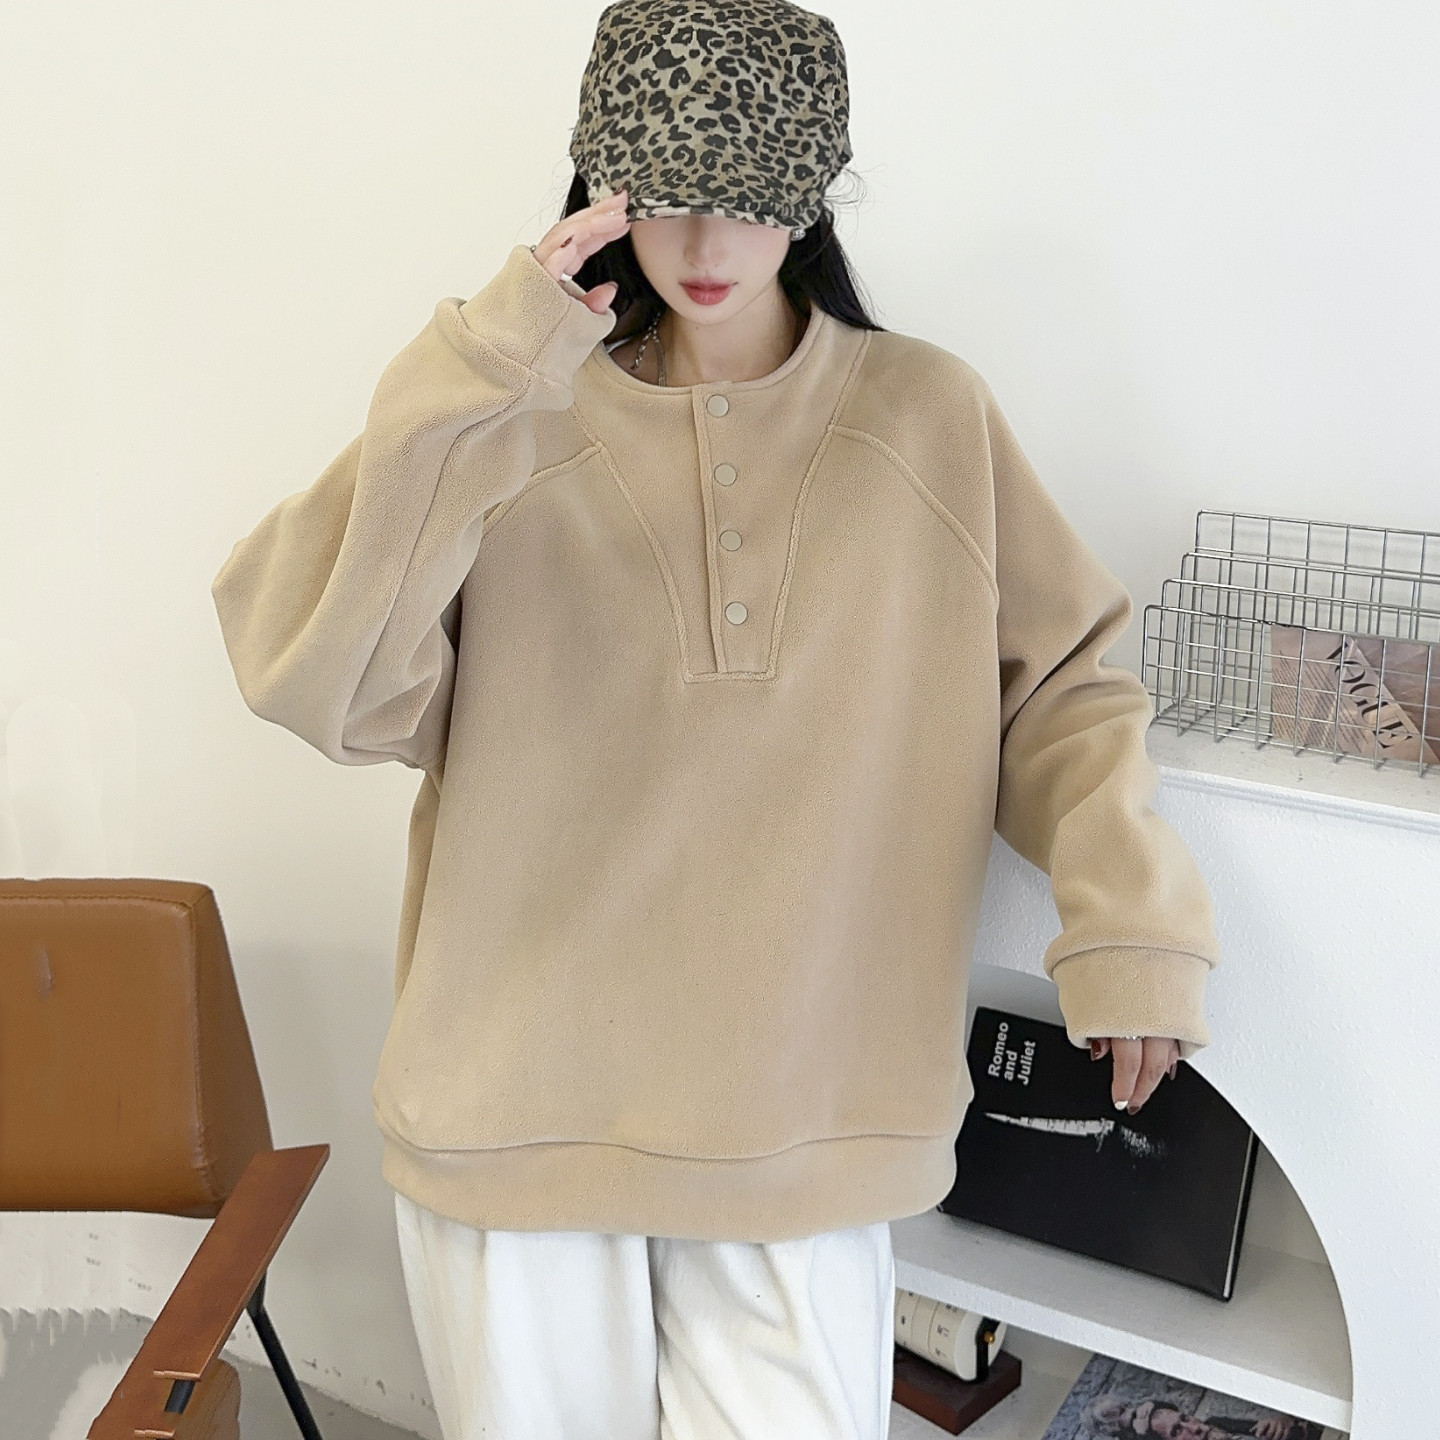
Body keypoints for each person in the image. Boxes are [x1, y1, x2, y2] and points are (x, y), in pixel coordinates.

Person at [210, 0, 1223, 1434]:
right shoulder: (507, 413)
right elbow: (308, 671)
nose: (702, 243)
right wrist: (490, 367)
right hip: (516, 1108)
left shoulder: (927, 417)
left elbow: (1064, 691)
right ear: (602, 185)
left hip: (804, 1113)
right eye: (667, 194)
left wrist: (1131, 931)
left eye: (747, 198)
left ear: (811, 193)